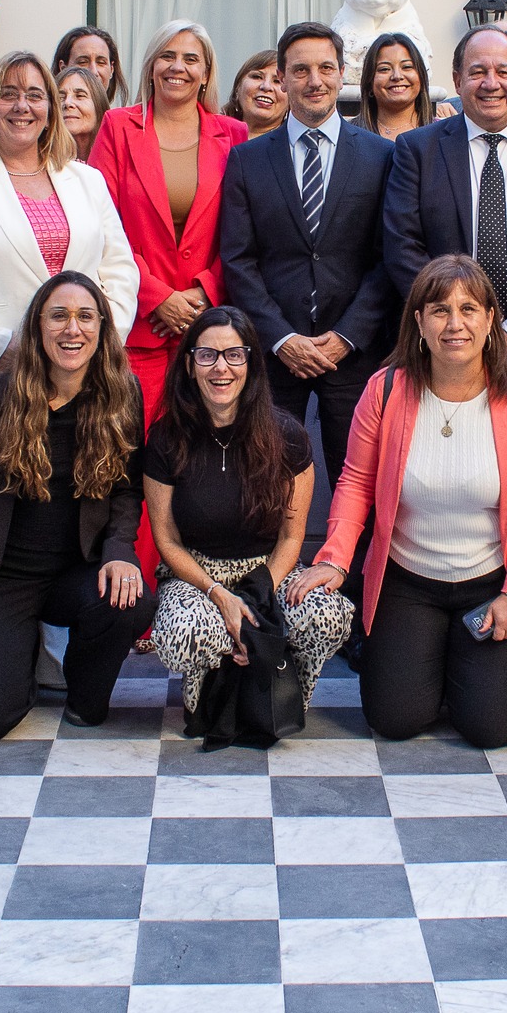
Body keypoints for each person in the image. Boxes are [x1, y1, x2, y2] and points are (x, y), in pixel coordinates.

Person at [289, 255, 507, 750]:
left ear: (489, 320)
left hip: (493, 584)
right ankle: (438, 658)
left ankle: (470, 658)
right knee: (394, 719)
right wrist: (334, 558)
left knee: (490, 728)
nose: (454, 323)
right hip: (408, 581)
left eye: (468, 309)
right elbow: (355, 482)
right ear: (418, 321)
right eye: (438, 310)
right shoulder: (385, 390)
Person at [0, 273, 152, 739]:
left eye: (85, 317)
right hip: (4, 573)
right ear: (38, 327)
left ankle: (85, 689)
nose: (71, 329)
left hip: (77, 570)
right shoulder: (0, 394)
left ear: (102, 327)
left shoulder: (124, 395)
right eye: (58, 316)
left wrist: (120, 550)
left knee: (130, 601)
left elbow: (127, 489)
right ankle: (16, 660)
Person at [0, 50, 138, 447]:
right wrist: (0, 349)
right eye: (9, 94)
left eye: (35, 95)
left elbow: (120, 270)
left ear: (50, 109)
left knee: (84, 503)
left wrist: (100, 347)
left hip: (84, 384)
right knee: (0, 507)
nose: (22, 106)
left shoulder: (87, 180)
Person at [146, 307, 354, 722]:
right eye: (207, 355)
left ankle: (282, 690)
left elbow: (291, 538)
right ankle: (216, 689)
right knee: (184, 632)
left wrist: (256, 598)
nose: (221, 368)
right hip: (197, 576)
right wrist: (218, 594)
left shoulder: (287, 436)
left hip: (270, 570)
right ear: (189, 365)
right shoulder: (166, 437)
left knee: (327, 616)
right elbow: (166, 540)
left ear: (251, 364)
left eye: (234, 355)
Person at [220, 22, 397, 484]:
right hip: (276, 351)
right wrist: (282, 338)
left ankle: (349, 560)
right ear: (282, 76)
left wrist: (347, 336)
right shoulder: (249, 159)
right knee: (267, 475)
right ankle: (275, 559)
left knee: (357, 479)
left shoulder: (382, 156)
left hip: (354, 351)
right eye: (300, 70)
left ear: (342, 74)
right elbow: (239, 260)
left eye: (325, 68)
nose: (314, 80)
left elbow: (388, 258)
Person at [384, 26, 507, 392]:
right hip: (439, 351)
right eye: (478, 72)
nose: (491, 83)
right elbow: (402, 247)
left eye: (504, 72)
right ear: (458, 79)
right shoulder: (417, 150)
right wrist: (454, 323)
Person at [89, 19, 249, 422]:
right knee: (136, 447)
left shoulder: (234, 134)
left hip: (210, 329)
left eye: (190, 59)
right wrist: (157, 296)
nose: (178, 67)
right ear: (151, 66)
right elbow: (99, 224)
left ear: (206, 73)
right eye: (167, 56)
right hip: (139, 324)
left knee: (205, 449)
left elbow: (243, 230)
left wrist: (204, 293)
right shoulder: (117, 127)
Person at [357, 31, 451, 141]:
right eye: (384, 69)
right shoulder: (348, 136)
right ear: (369, 81)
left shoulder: (444, 135)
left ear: (421, 76)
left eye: (406, 67)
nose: (397, 76)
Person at [52, 25, 128, 104]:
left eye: (101, 62)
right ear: (63, 68)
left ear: (112, 69)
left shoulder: (121, 116)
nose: (93, 71)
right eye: (83, 62)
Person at [222, 50, 287, 139]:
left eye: (277, 81)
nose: (266, 86)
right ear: (238, 87)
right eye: (257, 77)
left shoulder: (295, 148)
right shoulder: (210, 133)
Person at [56, 64, 111, 162]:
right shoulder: (41, 165)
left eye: (80, 96)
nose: (68, 103)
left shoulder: (116, 160)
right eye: (61, 97)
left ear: (99, 106)